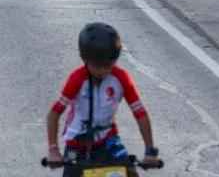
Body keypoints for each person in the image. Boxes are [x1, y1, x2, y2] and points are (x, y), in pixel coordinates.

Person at [45, 23, 161, 171]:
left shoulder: (121, 78)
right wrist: (53, 150)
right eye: (97, 66)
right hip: (77, 145)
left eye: (108, 65)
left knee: (130, 172)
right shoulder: (77, 79)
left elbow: (140, 114)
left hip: (109, 142)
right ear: (85, 59)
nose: (103, 71)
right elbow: (54, 114)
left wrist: (150, 151)